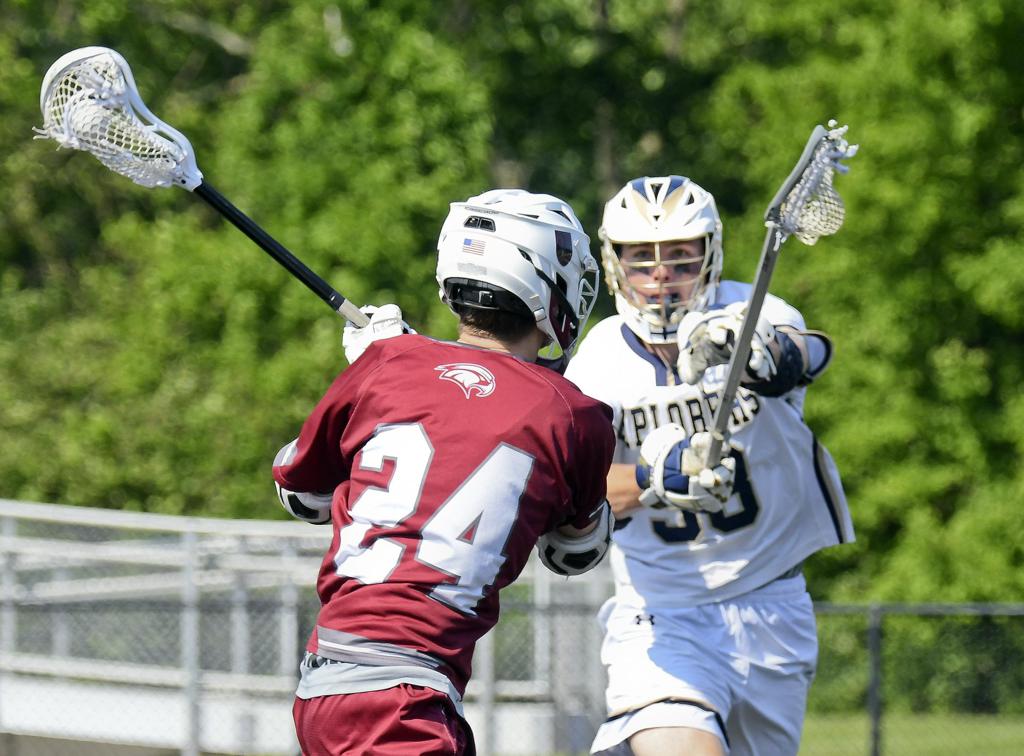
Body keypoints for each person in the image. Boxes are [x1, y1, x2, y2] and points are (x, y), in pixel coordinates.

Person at [272, 189, 616, 755]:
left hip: (337, 683)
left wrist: (385, 372)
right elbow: (576, 551)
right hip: (402, 693)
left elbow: (300, 491)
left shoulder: (388, 365)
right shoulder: (575, 415)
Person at [564, 176, 855, 756]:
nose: (661, 277)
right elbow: (577, 497)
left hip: (773, 603)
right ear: (614, 262)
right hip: (662, 613)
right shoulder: (597, 364)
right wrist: (654, 479)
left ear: (710, 254)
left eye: (679, 257)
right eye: (641, 260)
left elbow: (810, 352)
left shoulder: (756, 314)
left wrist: (766, 352)